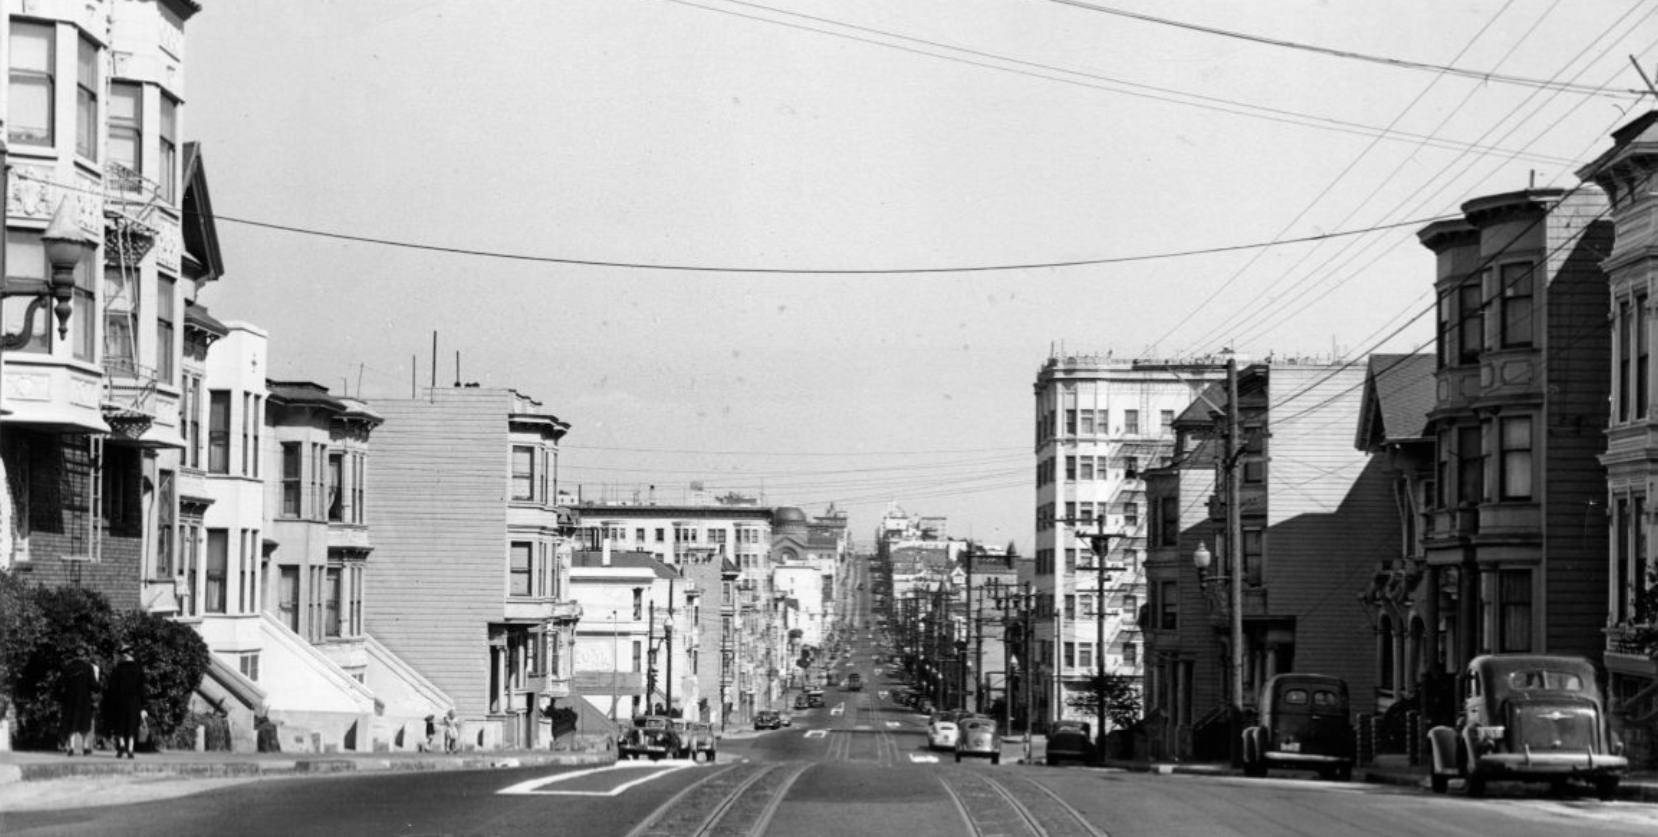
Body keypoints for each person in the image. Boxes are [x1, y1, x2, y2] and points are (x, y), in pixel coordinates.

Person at [104, 646, 146, 759]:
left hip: (120, 701)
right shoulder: (138, 669)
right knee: (132, 725)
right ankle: (131, 750)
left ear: (124, 655)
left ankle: (122, 745)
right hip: (134, 701)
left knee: (120, 724)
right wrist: (143, 707)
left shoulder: (118, 669)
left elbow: (112, 688)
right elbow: (141, 689)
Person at [58, 647, 98, 757]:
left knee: (72, 723)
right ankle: (85, 747)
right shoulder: (88, 667)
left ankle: (71, 747)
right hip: (84, 699)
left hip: (70, 700)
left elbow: (61, 684)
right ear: (84, 656)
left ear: (74, 656)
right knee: (84, 724)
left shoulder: (68, 667)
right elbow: (94, 685)